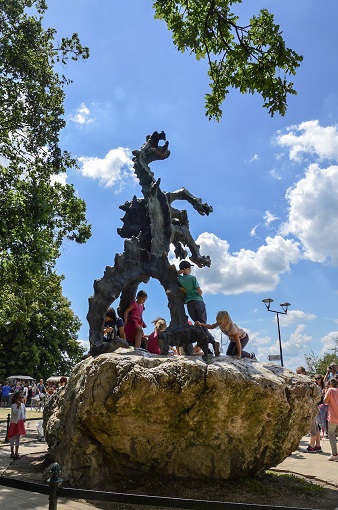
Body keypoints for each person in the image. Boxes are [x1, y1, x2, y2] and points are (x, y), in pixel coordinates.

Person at [177, 260, 220, 356]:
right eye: (189, 268)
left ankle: (209, 346)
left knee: (198, 325)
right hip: (198, 301)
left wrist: (178, 272)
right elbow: (199, 291)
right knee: (203, 324)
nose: (190, 270)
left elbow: (175, 276)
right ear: (186, 269)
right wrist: (198, 294)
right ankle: (211, 344)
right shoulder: (193, 278)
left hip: (189, 304)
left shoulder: (179, 279)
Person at [305, 374, 325, 453]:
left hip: (313, 409)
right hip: (316, 409)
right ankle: (317, 446)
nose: (316, 380)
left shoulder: (317, 388)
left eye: (318, 378)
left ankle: (312, 446)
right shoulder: (320, 388)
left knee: (313, 428)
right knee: (316, 428)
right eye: (315, 379)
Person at [8, 391, 26, 459]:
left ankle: (16, 452)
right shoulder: (13, 405)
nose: (21, 399)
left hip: (19, 423)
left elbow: (24, 412)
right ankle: (12, 452)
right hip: (14, 423)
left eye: (22, 397)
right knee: (12, 438)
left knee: (18, 438)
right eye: (19, 397)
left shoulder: (23, 405)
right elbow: (15, 413)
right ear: (15, 399)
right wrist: (18, 406)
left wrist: (24, 418)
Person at [323, 377, 338, 461]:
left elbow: (325, 401)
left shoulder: (330, 390)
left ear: (330, 384)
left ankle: (335, 454)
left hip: (333, 416)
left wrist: (326, 392)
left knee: (331, 434)